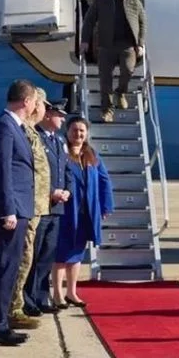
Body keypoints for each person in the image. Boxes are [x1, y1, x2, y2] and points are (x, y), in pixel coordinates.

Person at [0, 78, 42, 345]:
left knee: (9, 265)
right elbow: (2, 172)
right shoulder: (5, 127)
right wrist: (8, 210)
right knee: (6, 265)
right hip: (11, 210)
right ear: (26, 102)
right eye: (35, 102)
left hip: (18, 207)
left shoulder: (13, 127)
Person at [53, 117, 113, 307]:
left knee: (77, 254)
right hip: (66, 212)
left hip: (86, 213)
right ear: (67, 131)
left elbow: (104, 181)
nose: (78, 134)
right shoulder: (61, 153)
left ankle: (71, 292)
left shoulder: (92, 155)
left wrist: (105, 206)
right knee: (61, 254)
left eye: (81, 131)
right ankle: (57, 294)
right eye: (74, 130)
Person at [21, 98, 72, 316]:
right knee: (35, 254)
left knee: (47, 256)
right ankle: (28, 300)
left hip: (57, 208)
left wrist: (67, 189)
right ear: (48, 115)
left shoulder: (59, 141)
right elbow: (36, 171)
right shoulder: (36, 138)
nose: (62, 119)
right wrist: (51, 191)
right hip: (43, 205)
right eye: (59, 115)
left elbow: (65, 170)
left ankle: (41, 297)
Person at [79, 0, 147, 122]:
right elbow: (89, 21)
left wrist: (140, 43)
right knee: (105, 79)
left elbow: (143, 22)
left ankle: (121, 92)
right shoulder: (102, 0)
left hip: (127, 45)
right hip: (105, 45)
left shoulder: (133, 1)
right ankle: (107, 110)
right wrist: (85, 41)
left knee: (128, 70)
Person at [7, 88, 48, 326]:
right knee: (22, 259)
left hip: (35, 208)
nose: (43, 109)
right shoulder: (23, 131)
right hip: (26, 208)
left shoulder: (30, 132)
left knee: (28, 258)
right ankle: (13, 308)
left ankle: (17, 304)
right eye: (41, 104)